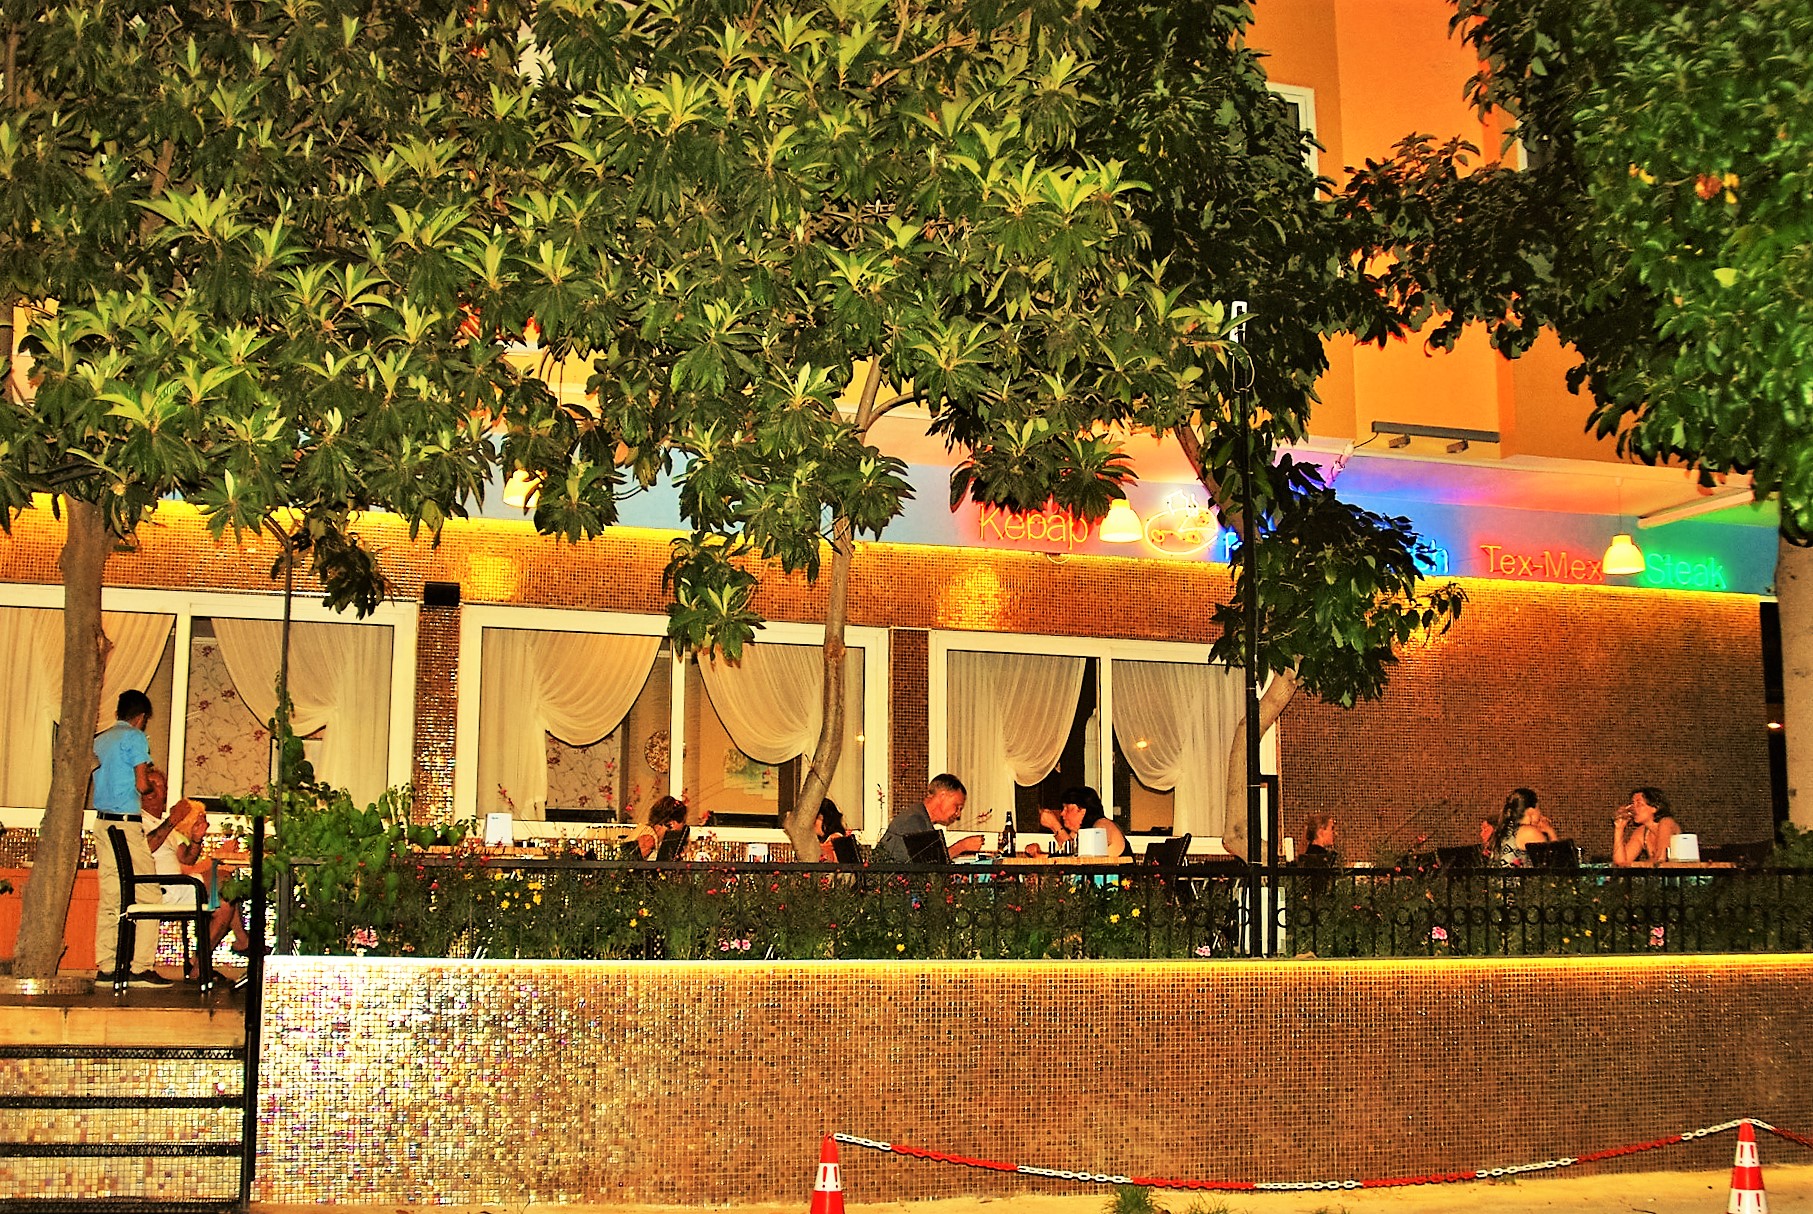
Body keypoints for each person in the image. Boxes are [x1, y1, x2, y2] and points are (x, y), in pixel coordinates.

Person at [91, 689, 175, 986]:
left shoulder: (100, 740)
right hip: (126, 825)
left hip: (102, 823)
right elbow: (141, 784)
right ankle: (141, 967)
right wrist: (149, 789)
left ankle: (107, 965)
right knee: (149, 894)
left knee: (111, 893)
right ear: (141, 717)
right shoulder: (135, 738)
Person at [148, 797, 253, 979]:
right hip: (167, 889)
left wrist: (197, 840)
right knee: (225, 887)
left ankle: (205, 960)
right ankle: (240, 941)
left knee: (225, 896)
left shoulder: (171, 834)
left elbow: (187, 860)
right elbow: (188, 870)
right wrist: (217, 857)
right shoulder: (151, 828)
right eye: (200, 819)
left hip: (183, 887)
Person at [874, 774, 983, 863]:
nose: (958, 814)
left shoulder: (921, 819)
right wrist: (961, 846)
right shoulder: (913, 820)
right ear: (942, 796)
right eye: (957, 806)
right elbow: (928, 866)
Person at [1031, 786, 1128, 858]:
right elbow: (1068, 855)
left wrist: (1054, 825)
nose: (1062, 813)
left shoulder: (1103, 825)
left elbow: (1082, 859)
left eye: (1067, 808)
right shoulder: (1077, 833)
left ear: (1082, 810)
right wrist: (1039, 853)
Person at [1612, 787, 1681, 867]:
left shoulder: (1667, 822)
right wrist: (1619, 828)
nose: (1633, 808)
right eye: (1633, 804)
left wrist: (1635, 865)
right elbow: (1620, 862)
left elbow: (1660, 858)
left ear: (1655, 808)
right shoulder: (1642, 832)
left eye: (1639, 804)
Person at [1490, 787, 1556, 867]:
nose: (1541, 814)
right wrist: (1550, 832)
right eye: (1539, 809)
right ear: (1531, 812)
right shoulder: (1529, 832)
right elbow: (1554, 863)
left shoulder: (1507, 829)